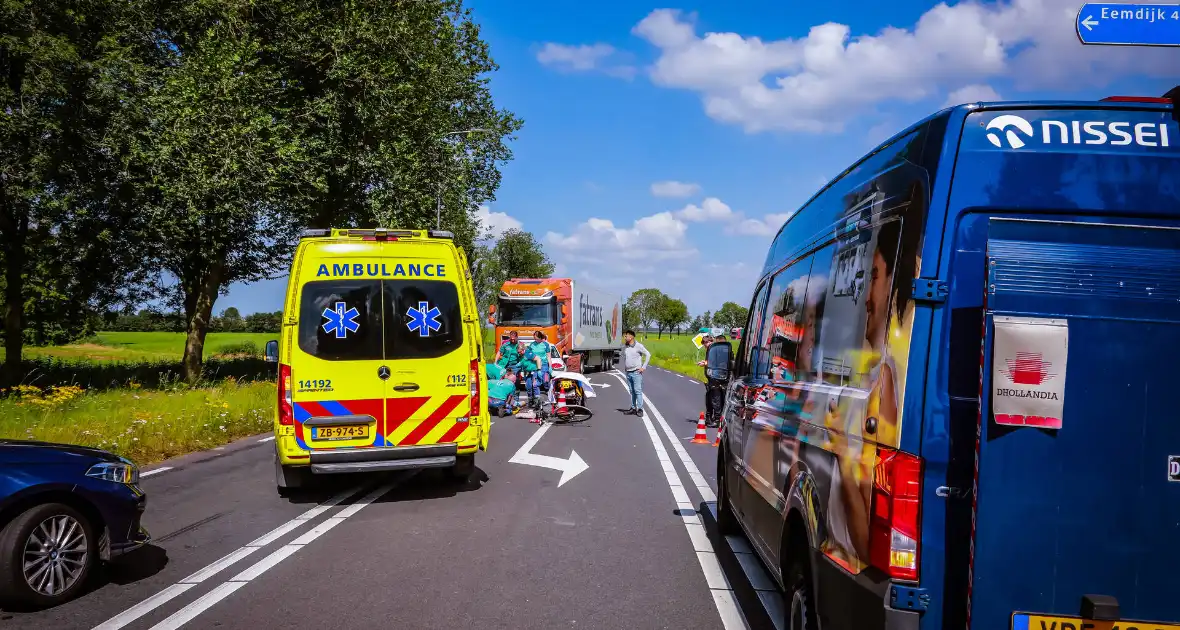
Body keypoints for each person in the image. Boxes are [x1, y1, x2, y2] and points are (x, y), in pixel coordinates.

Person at [523, 331, 558, 410]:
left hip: (544, 366)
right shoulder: (532, 345)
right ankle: (537, 402)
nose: (535, 339)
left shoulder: (545, 345)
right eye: (534, 338)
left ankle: (551, 395)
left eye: (536, 338)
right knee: (535, 384)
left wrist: (550, 367)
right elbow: (529, 355)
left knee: (545, 382)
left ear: (540, 337)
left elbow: (548, 357)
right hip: (535, 367)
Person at [621, 330, 650, 416]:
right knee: (631, 391)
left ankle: (640, 409)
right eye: (625, 336)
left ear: (631, 337)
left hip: (636, 372)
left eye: (626, 336)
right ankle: (633, 408)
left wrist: (643, 367)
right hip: (628, 372)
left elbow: (648, 354)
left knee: (637, 390)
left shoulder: (638, 346)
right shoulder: (626, 347)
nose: (625, 337)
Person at [697, 334, 722, 427]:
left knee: (715, 399)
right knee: (710, 398)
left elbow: (715, 361)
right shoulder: (710, 350)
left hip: (715, 377)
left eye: (708, 342)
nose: (706, 344)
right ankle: (710, 418)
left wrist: (705, 363)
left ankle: (716, 419)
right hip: (711, 377)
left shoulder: (714, 350)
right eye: (705, 343)